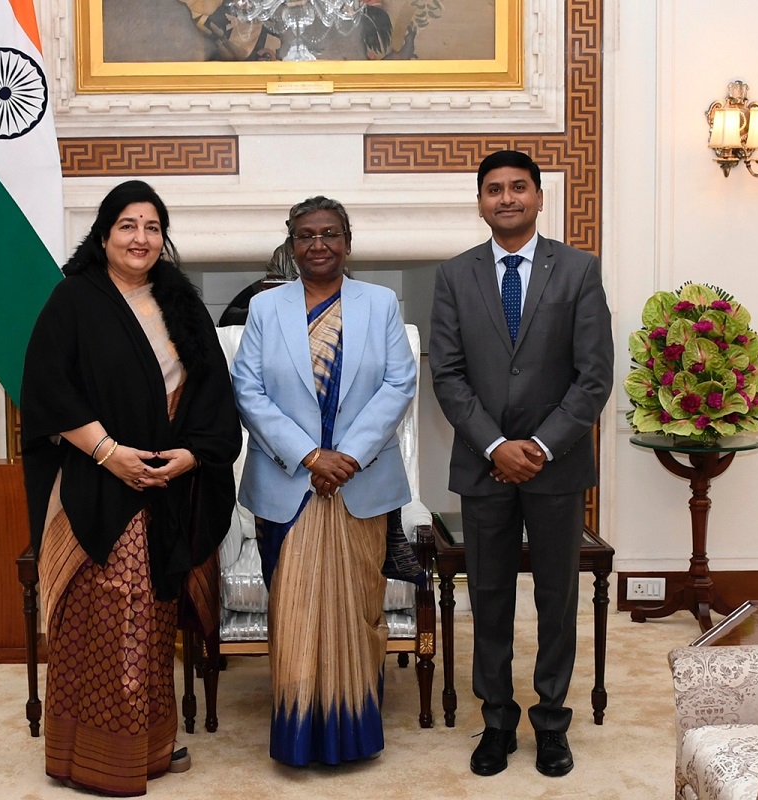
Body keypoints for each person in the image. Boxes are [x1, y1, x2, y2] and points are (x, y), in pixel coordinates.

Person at [19, 180, 241, 796]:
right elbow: (47, 388)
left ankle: (151, 745)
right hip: (96, 484)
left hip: (168, 486)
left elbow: (213, 394)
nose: (140, 239)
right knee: (104, 614)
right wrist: (110, 454)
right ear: (104, 234)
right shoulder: (73, 300)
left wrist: (191, 457)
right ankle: (87, 758)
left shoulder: (182, 302)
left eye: (152, 227)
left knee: (150, 618)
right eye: (127, 225)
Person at [428, 150, 613, 778]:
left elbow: (594, 377)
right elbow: (447, 375)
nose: (506, 198)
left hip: (556, 468)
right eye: (494, 190)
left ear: (539, 197)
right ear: (480, 203)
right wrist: (494, 446)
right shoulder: (455, 276)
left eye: (518, 188)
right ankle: (498, 720)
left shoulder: (580, 271)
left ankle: (553, 722)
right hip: (483, 467)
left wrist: (538, 446)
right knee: (488, 596)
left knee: (559, 597)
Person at [231, 196, 417, 766]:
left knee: (360, 612)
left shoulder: (379, 303)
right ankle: (297, 736)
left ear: (347, 241)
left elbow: (398, 384)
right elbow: (248, 391)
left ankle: (354, 733)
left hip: (360, 485)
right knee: (291, 613)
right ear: (291, 244)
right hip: (288, 485)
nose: (319, 244)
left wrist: (348, 457)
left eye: (330, 233)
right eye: (307, 235)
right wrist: (311, 455)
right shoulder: (266, 308)